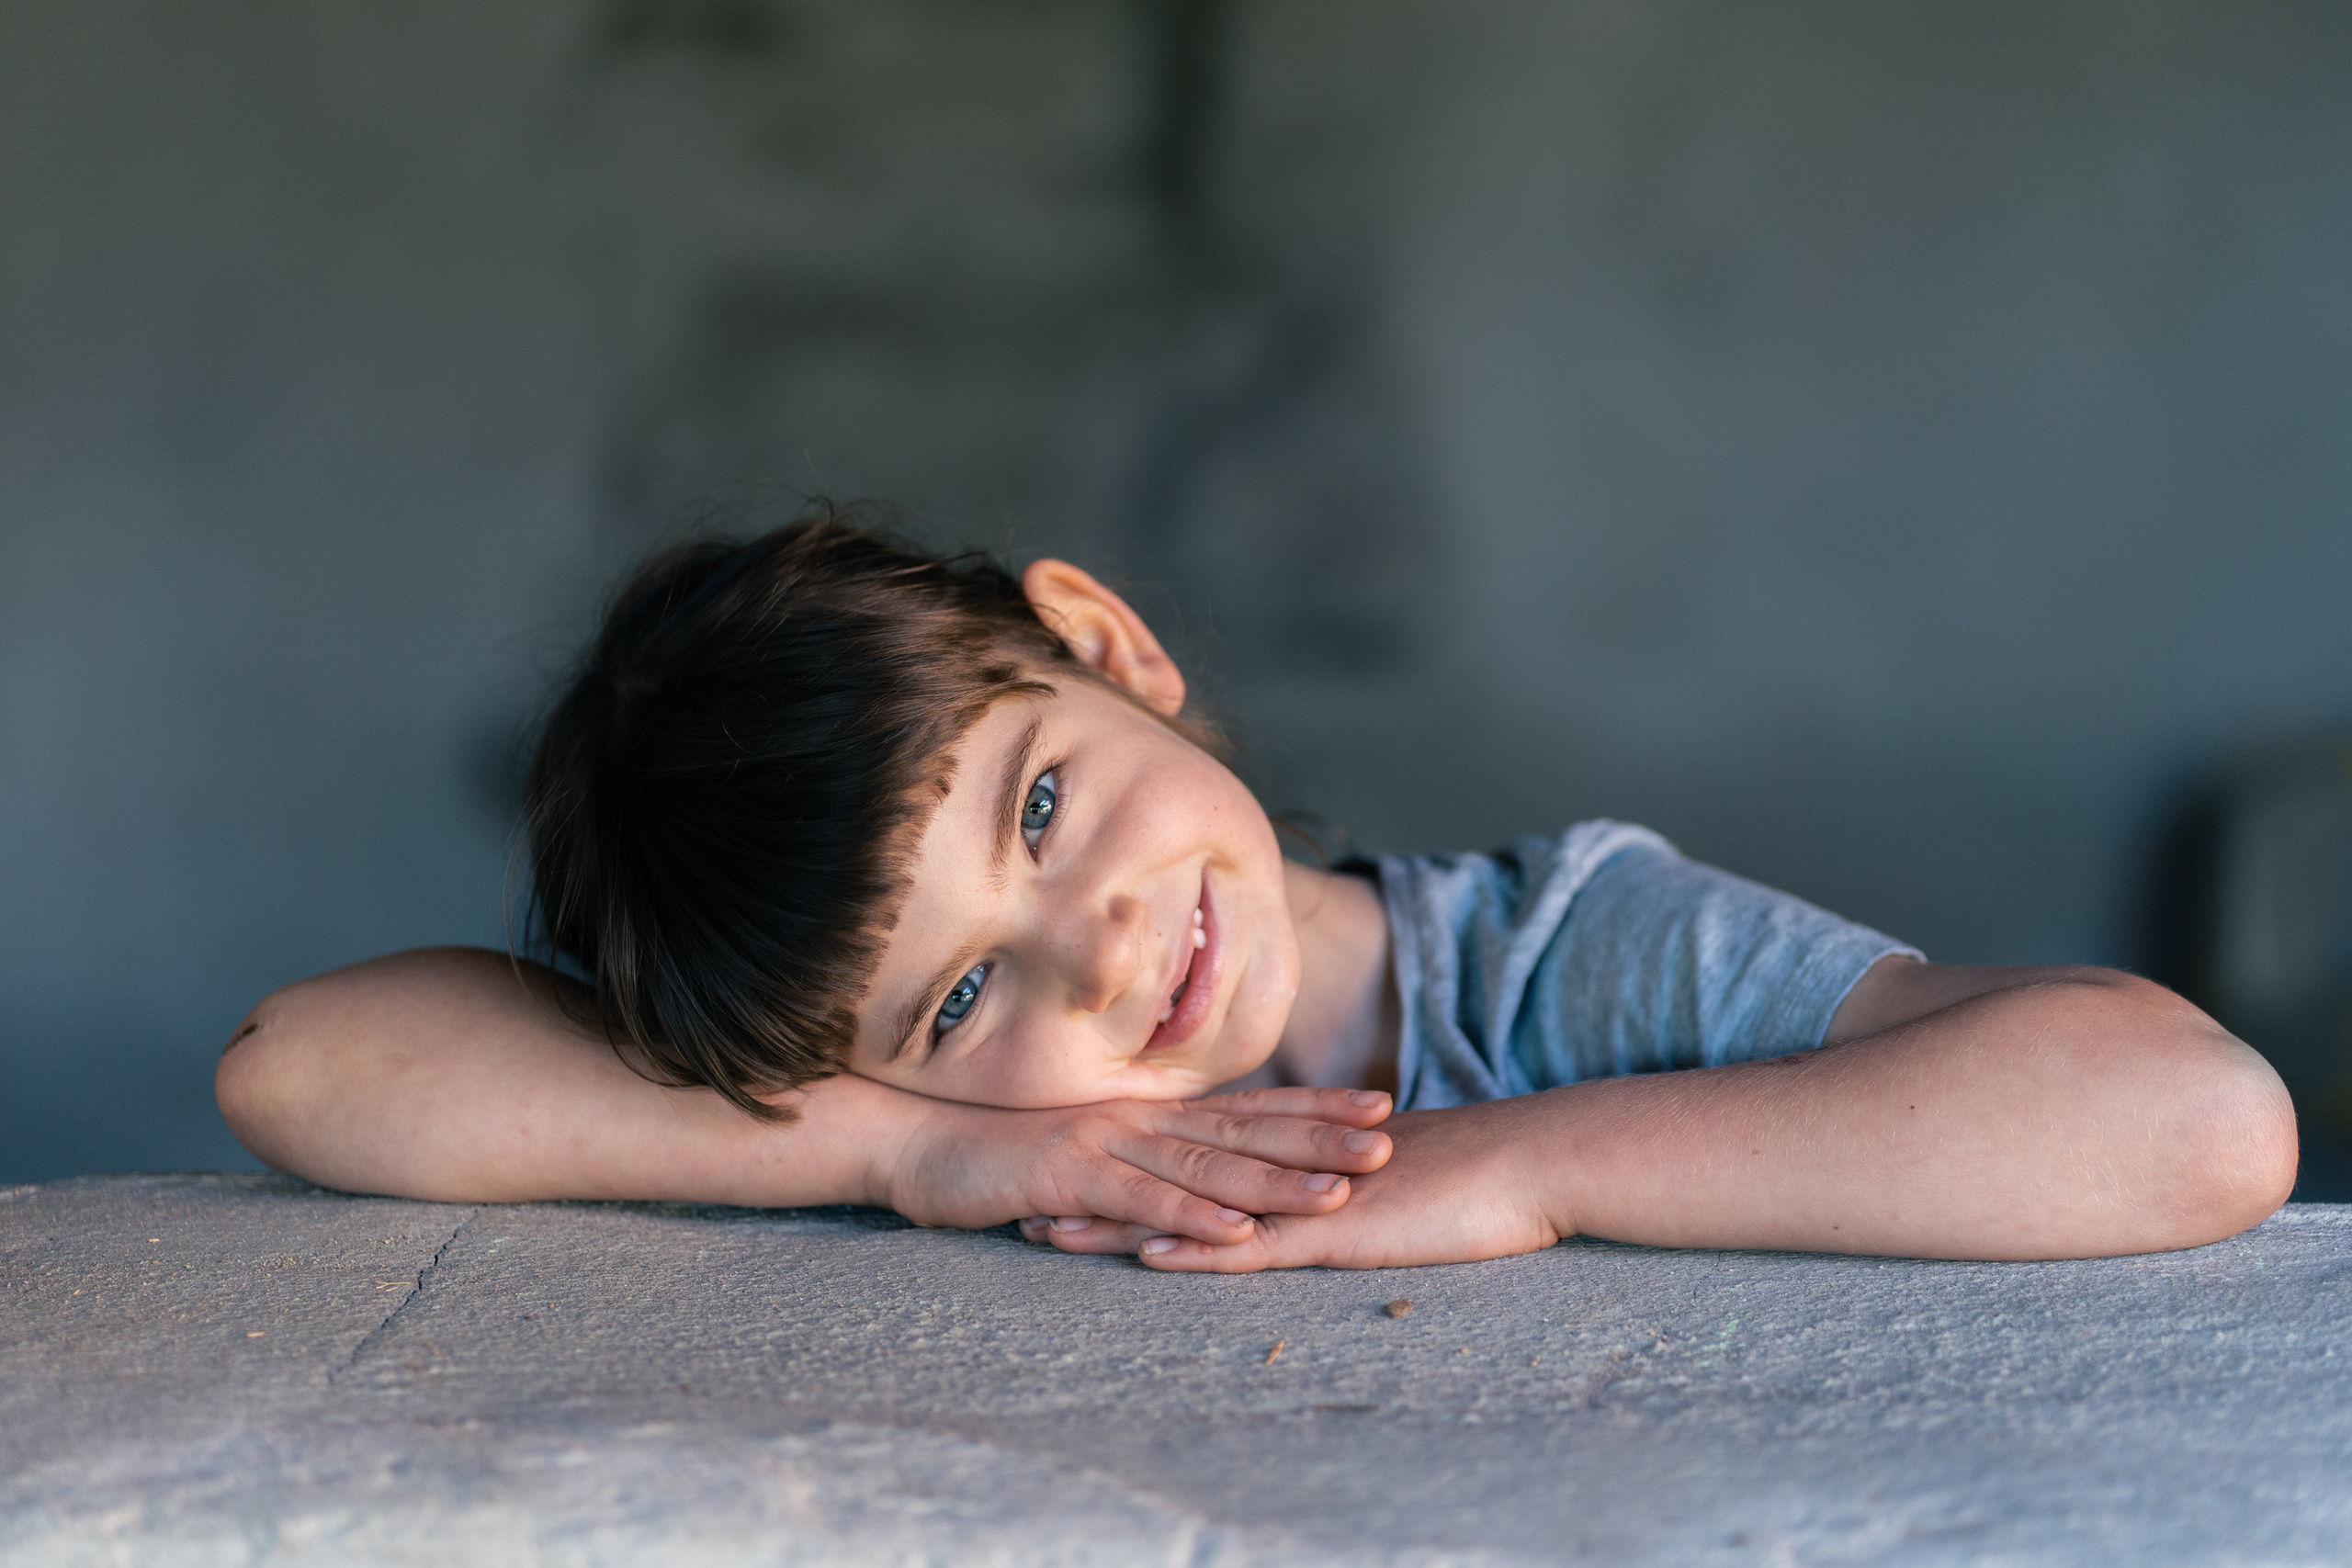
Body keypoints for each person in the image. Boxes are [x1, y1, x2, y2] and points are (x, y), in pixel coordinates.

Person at [216, 512, 2299, 1271]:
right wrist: (897, 1153)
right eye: (959, 996)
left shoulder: (1575, 958)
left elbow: (2189, 1115)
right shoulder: (995, 1143)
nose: (1097, 953)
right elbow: (301, 1067)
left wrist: (1521, 1175)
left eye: (1036, 809)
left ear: (1107, 644)